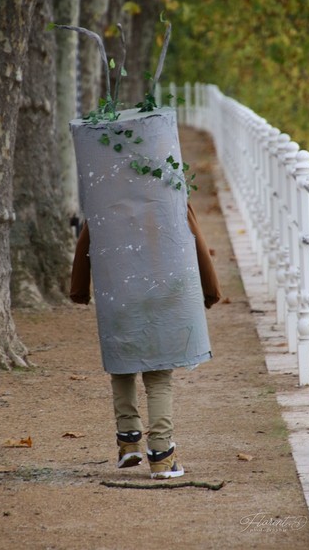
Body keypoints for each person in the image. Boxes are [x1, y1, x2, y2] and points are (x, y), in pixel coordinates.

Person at [70, 200, 221, 479]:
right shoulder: (171, 197)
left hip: (119, 297)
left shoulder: (107, 198)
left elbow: (85, 245)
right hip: (161, 295)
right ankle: (162, 455)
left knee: (121, 366)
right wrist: (211, 291)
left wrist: (79, 290)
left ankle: (128, 441)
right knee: (159, 376)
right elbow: (196, 244)